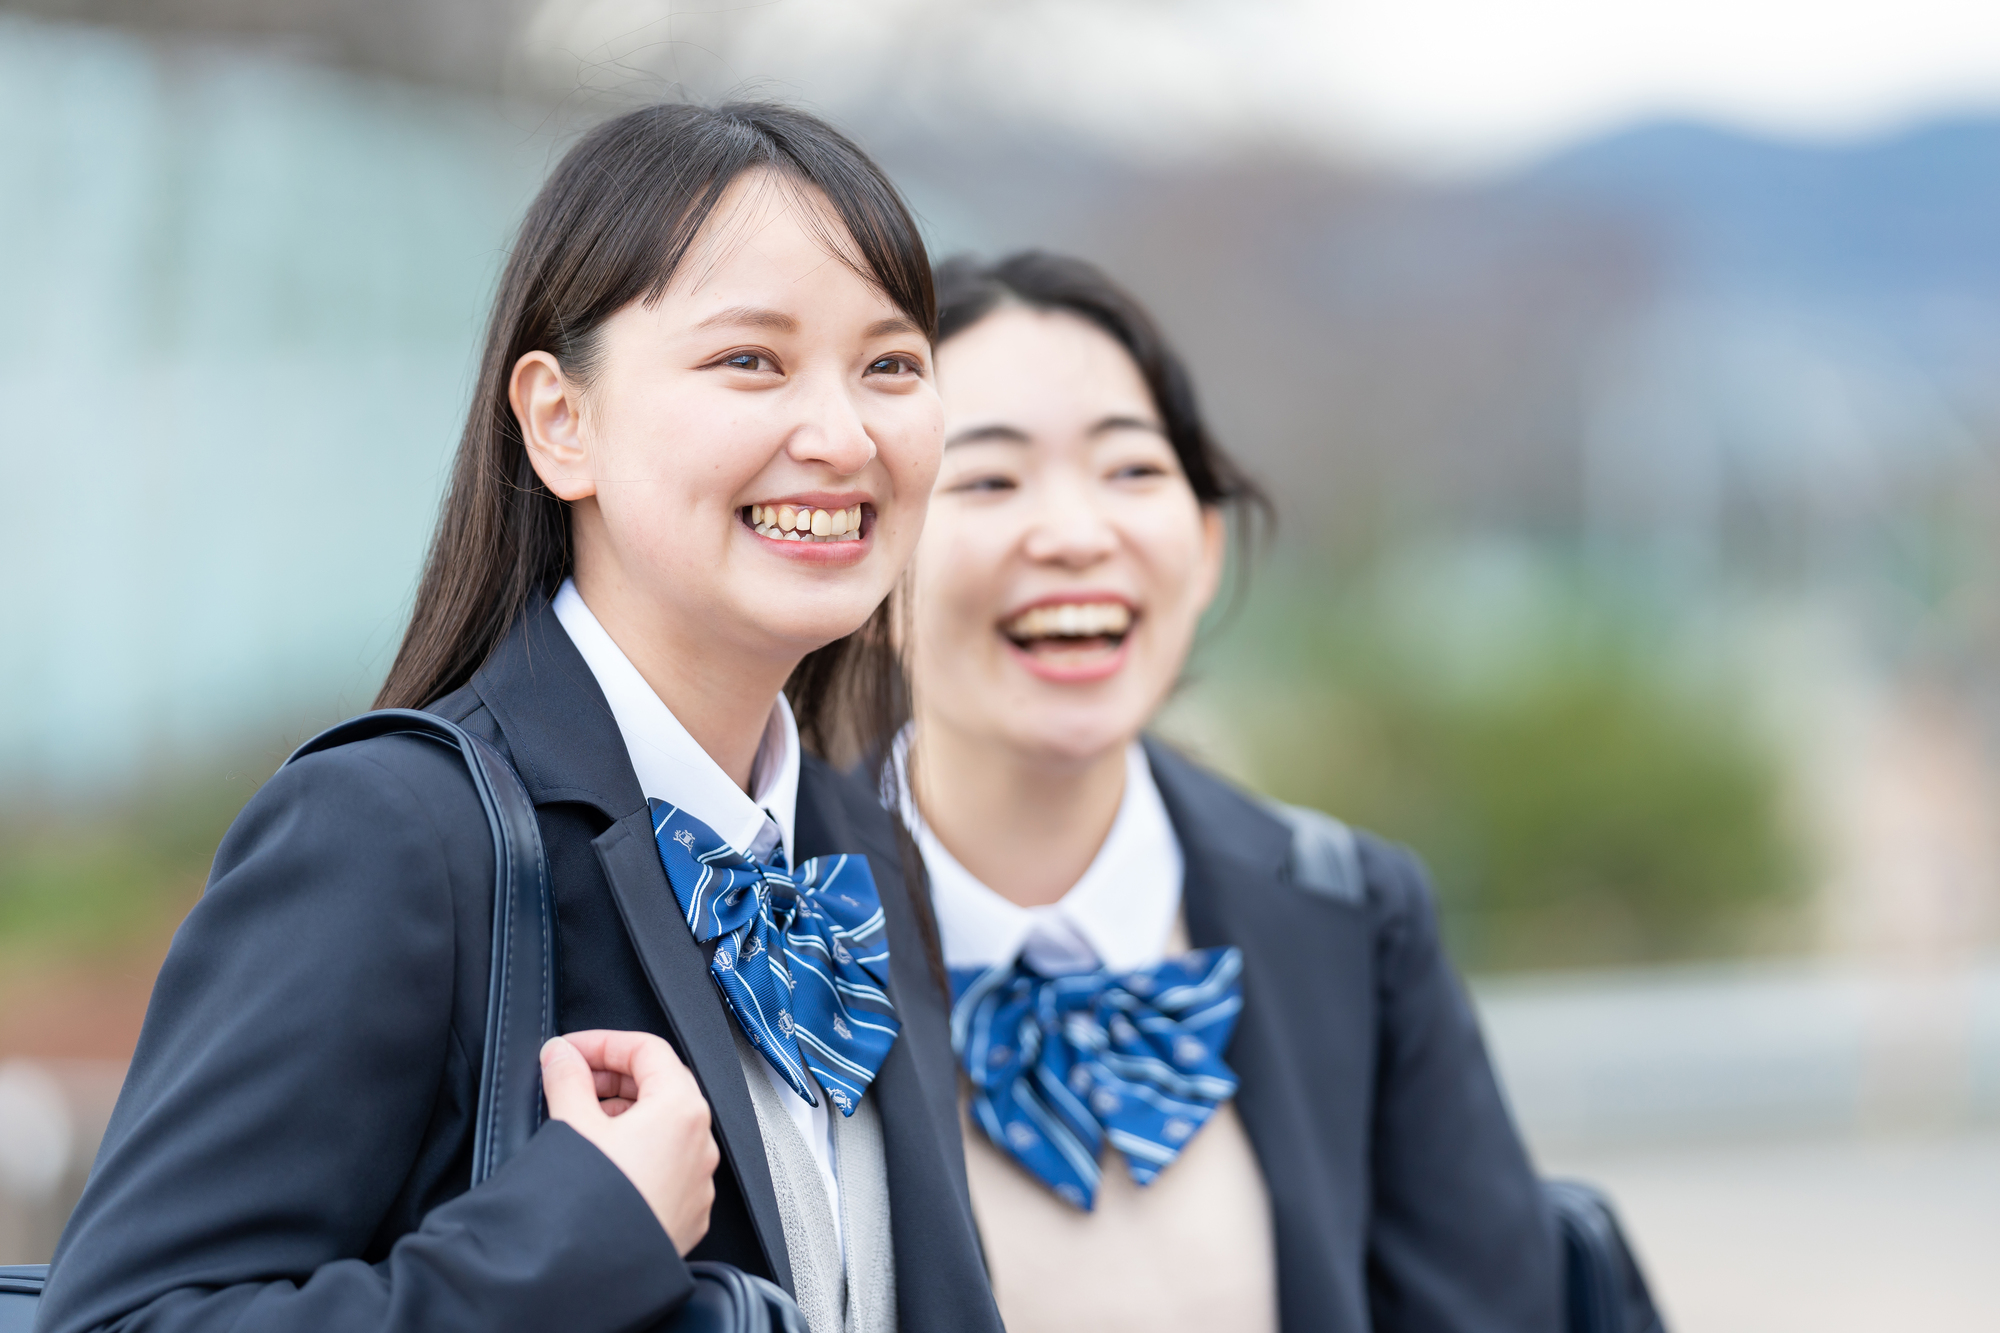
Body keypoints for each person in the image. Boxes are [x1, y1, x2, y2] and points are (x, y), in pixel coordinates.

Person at [37, 103, 1002, 1333]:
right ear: (560, 420)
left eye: (890, 366)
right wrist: (572, 1236)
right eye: (748, 360)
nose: (841, 434)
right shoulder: (391, 834)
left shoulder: (865, 855)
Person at [888, 251, 1561, 1333]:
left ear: (1201, 550)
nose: (1072, 533)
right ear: (870, 563)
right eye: (987, 479)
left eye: (1131, 471)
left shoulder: (1352, 917)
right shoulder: (770, 923)